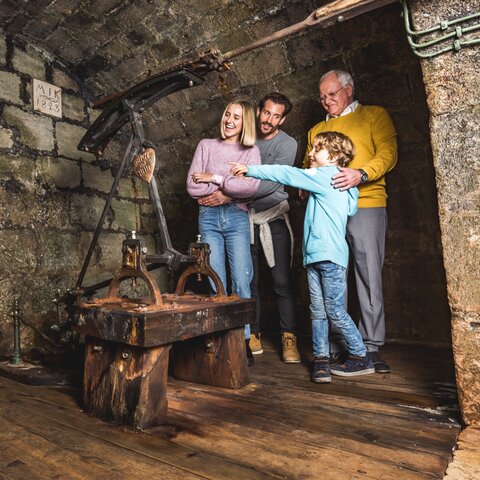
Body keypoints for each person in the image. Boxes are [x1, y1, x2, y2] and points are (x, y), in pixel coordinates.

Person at [231, 131, 375, 383]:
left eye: (316, 149)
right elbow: (349, 206)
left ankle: (360, 355)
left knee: (333, 310)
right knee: (317, 310)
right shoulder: (342, 184)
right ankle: (321, 359)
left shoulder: (325, 175)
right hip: (317, 258)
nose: (310, 153)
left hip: (328, 257)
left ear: (332, 156)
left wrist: (250, 169)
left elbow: (285, 173)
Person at [304, 69, 397, 373]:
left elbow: (389, 153)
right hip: (326, 212)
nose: (327, 100)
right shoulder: (316, 129)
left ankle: (370, 346)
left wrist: (361, 174)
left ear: (349, 90)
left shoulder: (373, 115)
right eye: (322, 97)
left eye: (332, 94)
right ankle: (336, 345)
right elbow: (309, 166)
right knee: (331, 277)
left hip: (367, 203)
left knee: (369, 275)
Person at [197, 92, 300, 364]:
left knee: (281, 280)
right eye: (266, 113)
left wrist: (230, 194)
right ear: (257, 112)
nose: (269, 119)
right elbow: (223, 178)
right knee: (248, 279)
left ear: (283, 119)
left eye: (276, 115)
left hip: (271, 215)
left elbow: (271, 183)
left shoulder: (286, 144)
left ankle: (289, 335)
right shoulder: (245, 140)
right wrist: (231, 191)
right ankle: (250, 333)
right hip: (242, 217)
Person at [186, 100, 261, 365]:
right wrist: (230, 188)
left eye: (237, 117)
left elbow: (251, 188)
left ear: (245, 123)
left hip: (237, 218)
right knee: (215, 280)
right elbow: (192, 187)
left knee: (242, 280)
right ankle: (220, 337)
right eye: (227, 114)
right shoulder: (206, 146)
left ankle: (242, 340)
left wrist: (217, 184)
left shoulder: (251, 152)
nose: (229, 120)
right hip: (207, 218)